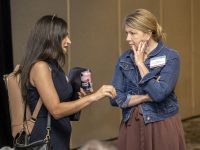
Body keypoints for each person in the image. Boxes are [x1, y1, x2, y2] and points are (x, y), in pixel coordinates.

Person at [18, 15, 116, 150]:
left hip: (59, 136)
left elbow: (65, 109)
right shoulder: (40, 67)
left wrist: (84, 98)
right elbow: (56, 110)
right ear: (51, 38)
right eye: (64, 36)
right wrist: (95, 96)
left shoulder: (53, 65)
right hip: (44, 139)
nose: (69, 41)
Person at [110, 9, 186, 150]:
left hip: (162, 123)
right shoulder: (124, 59)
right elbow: (115, 98)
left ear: (148, 33)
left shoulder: (171, 57)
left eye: (132, 33)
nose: (127, 38)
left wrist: (140, 64)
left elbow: (158, 94)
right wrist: (145, 97)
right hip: (132, 123)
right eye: (126, 33)